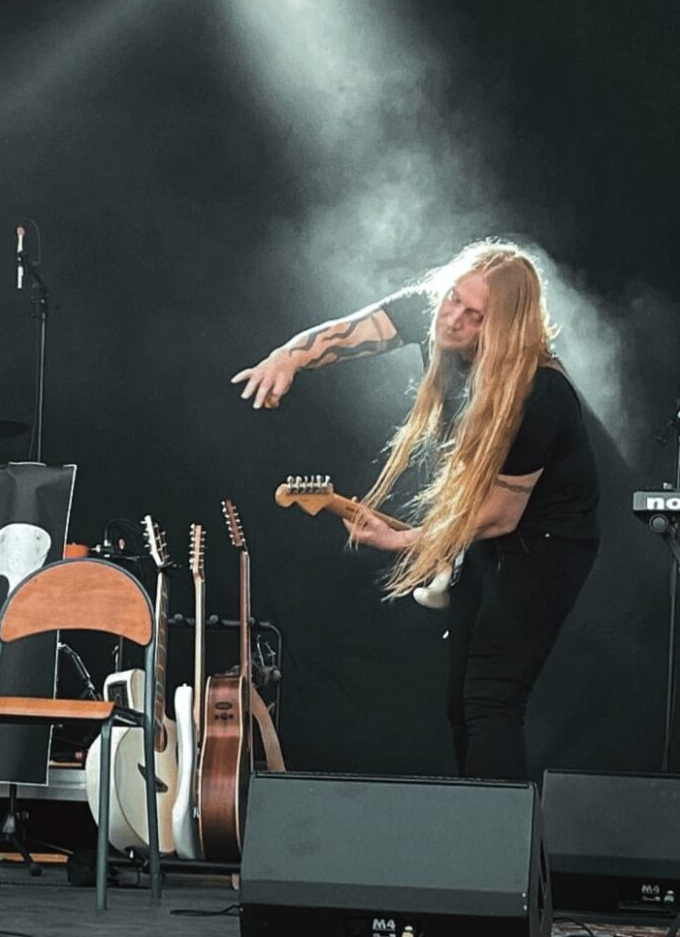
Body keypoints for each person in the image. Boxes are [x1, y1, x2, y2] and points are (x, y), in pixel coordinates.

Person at [232, 240, 600, 781]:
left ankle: (494, 851)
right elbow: (347, 333)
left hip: (547, 542)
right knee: (461, 701)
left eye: (473, 317)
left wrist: (406, 541)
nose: (451, 319)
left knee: (493, 698)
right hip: (488, 531)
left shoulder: (539, 393)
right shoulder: (435, 309)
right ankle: (485, 836)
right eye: (452, 299)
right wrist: (287, 357)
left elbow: (499, 514)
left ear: (502, 329)